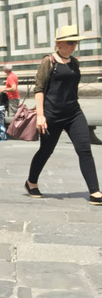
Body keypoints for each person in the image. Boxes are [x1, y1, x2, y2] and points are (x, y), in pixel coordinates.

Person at [25, 25, 102, 205]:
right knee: (46, 150)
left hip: (74, 113)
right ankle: (31, 182)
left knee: (84, 149)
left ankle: (95, 191)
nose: (74, 45)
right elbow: (39, 89)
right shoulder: (48, 61)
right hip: (51, 115)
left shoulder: (75, 62)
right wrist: (40, 115)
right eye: (70, 42)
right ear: (59, 43)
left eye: (76, 42)